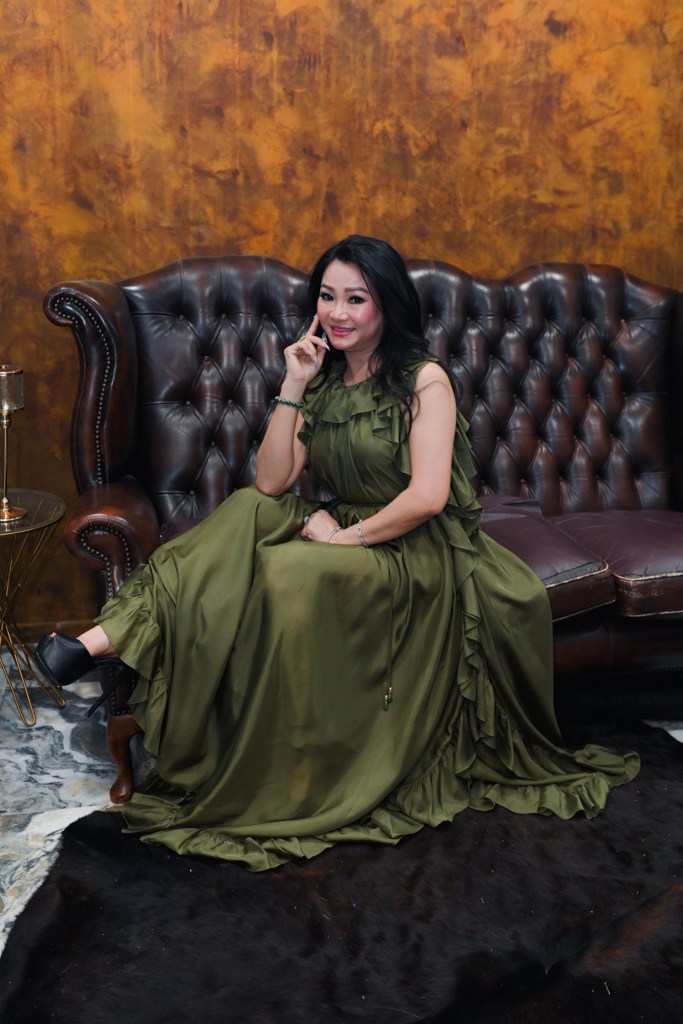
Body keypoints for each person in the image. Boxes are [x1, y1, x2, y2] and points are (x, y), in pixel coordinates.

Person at [36, 235, 639, 871]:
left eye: (357, 298)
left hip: (415, 547)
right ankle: (98, 641)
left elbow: (428, 498)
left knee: (285, 571)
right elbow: (272, 481)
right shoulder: (321, 379)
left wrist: (340, 538)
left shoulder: (423, 380)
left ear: (387, 304)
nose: (338, 312)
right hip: (347, 524)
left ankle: (249, 734)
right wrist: (295, 382)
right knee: (247, 509)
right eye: (328, 297)